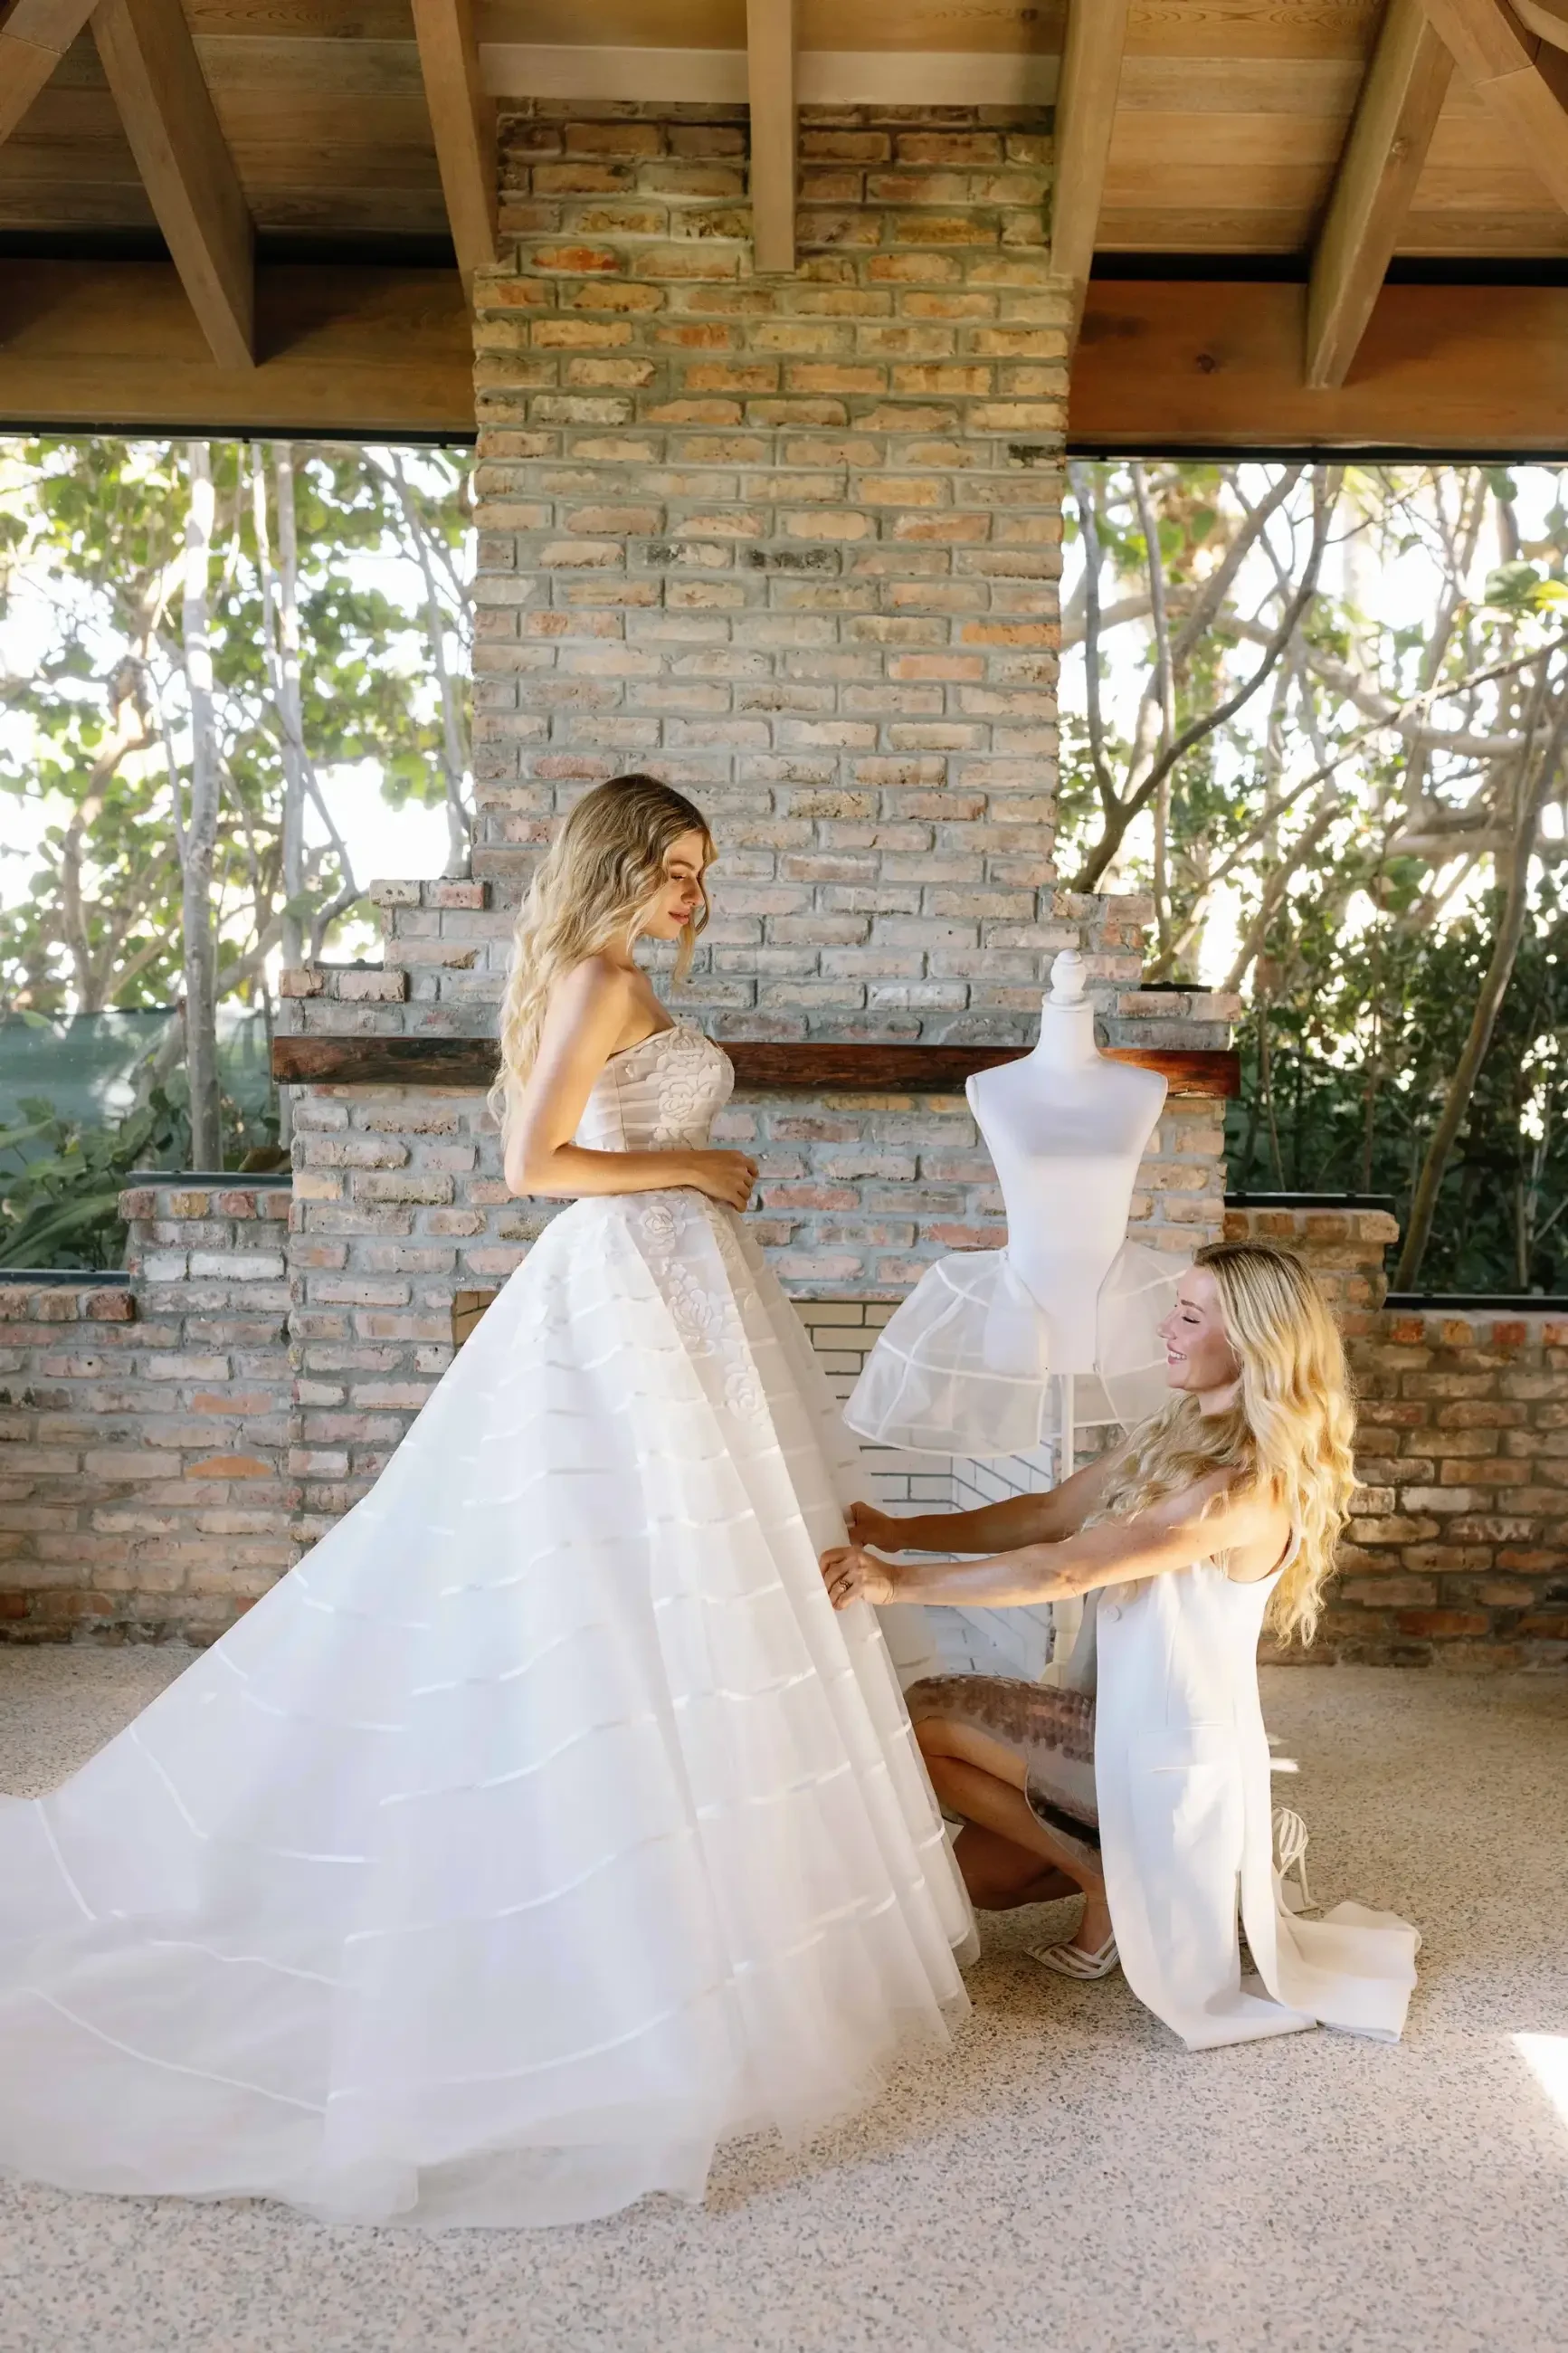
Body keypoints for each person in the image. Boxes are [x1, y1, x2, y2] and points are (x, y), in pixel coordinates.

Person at [0, 776, 973, 2229]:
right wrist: (698, 1161)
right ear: (616, 870)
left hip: (677, 1290)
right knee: (603, 1587)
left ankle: (693, 1915)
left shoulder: (620, 975)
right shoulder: (593, 975)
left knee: (682, 1594)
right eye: (673, 871)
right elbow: (536, 1166)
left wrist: (690, 1186)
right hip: (626, 1284)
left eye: (702, 874)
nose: (692, 895)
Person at [821, 1242, 1421, 2051]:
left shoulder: (1250, 1489)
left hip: (1168, 1758)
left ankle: (1124, 1879)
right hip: (1115, 1729)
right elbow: (1044, 1515)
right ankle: (1107, 1877)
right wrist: (901, 1531)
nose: (1164, 1327)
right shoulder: (1178, 1429)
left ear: (1247, 1341)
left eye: (1187, 1313)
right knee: (980, 1886)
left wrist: (898, 1581)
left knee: (926, 1716)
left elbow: (1066, 1566)